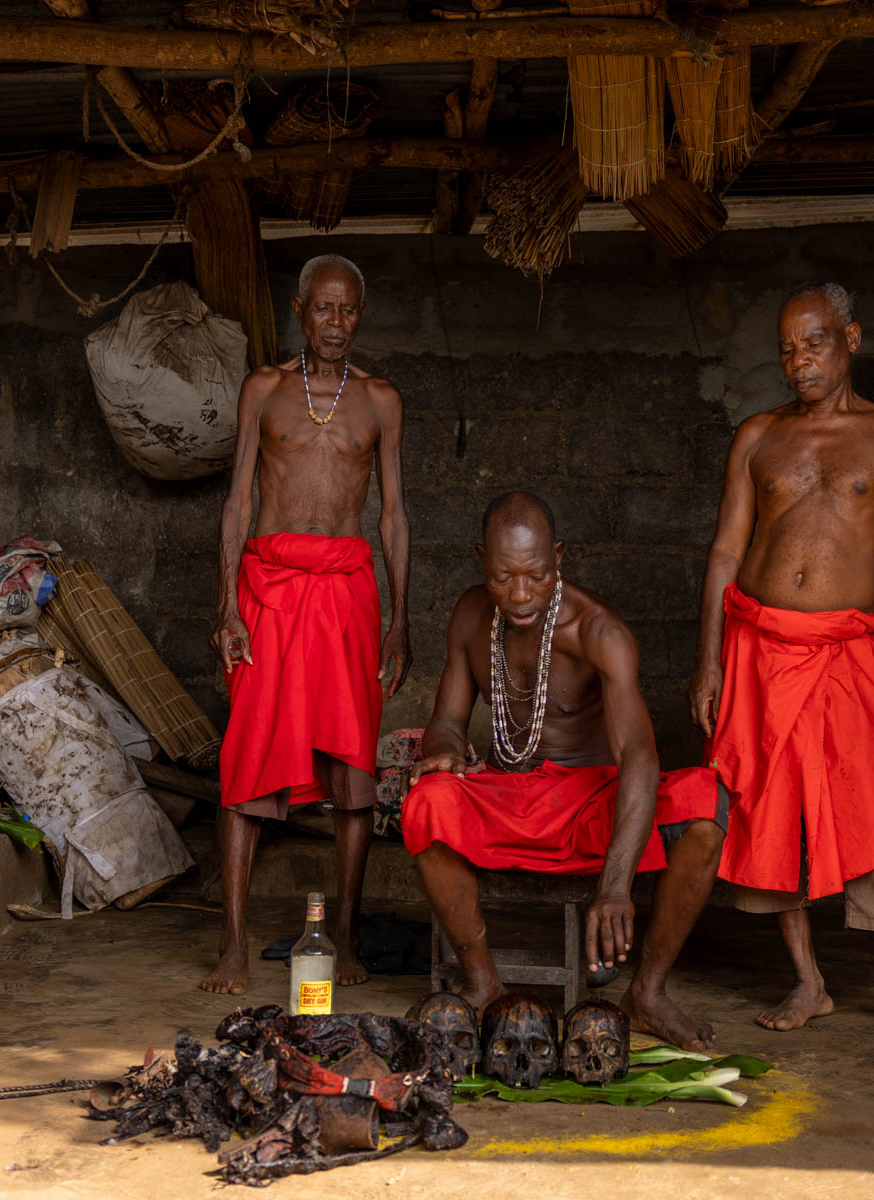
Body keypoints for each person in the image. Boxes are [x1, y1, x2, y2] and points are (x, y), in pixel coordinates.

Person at [688, 281, 874, 1051]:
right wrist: (708, 661)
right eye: (786, 348)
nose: (797, 361)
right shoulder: (757, 437)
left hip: (848, 654)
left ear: (850, 339)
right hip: (758, 652)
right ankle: (809, 981)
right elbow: (723, 552)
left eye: (812, 343)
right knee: (769, 813)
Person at [403, 492, 724, 1049]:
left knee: (705, 802)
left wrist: (617, 886)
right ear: (482, 560)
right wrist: (447, 750)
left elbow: (640, 758)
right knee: (426, 799)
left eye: (537, 576)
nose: (521, 596)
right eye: (503, 578)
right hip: (508, 796)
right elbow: (447, 723)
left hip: (588, 806)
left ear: (559, 557)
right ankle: (481, 981)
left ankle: (647, 992)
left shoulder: (600, 632)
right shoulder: (470, 617)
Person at [202, 254, 411, 995]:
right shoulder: (263, 388)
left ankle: (345, 941)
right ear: (299, 310)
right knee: (249, 761)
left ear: (360, 315)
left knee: (354, 769)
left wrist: (400, 620)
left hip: (349, 595)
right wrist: (226, 605)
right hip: (270, 592)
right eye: (323, 309)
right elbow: (234, 503)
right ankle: (232, 944)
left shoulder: (381, 400)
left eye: (348, 311)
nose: (335, 324)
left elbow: (391, 514)